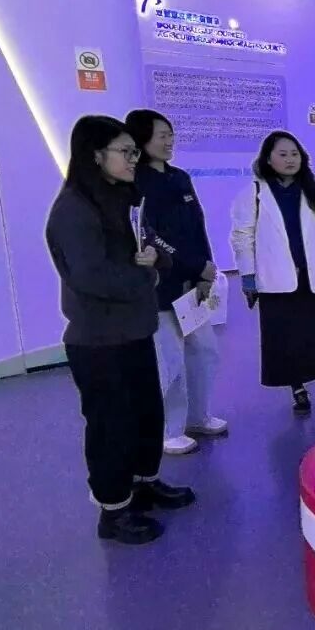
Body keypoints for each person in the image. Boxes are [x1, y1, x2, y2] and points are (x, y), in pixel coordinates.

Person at [45, 115, 195, 545]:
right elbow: (91, 277)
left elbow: (153, 245)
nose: (134, 159)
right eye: (126, 152)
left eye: (134, 151)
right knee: (111, 425)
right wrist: (147, 276)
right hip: (98, 340)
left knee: (147, 414)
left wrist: (158, 259)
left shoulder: (124, 198)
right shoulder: (74, 210)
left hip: (134, 330)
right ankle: (113, 509)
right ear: (96, 155)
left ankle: (144, 484)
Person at [230, 131, 315, 416]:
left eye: (294, 154)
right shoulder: (254, 193)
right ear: (268, 159)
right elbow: (243, 236)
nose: (290, 159)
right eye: (282, 154)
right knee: (287, 340)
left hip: (314, 278)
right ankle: (298, 391)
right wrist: (248, 277)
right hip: (276, 281)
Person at [126, 109, 228, 455]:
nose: (169, 141)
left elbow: (197, 226)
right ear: (142, 139)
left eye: (171, 134)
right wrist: (192, 265)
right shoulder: (136, 183)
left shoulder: (180, 178)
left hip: (192, 283)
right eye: (162, 135)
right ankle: (170, 430)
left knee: (204, 351)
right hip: (161, 285)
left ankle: (199, 415)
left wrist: (205, 269)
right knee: (169, 360)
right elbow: (150, 236)